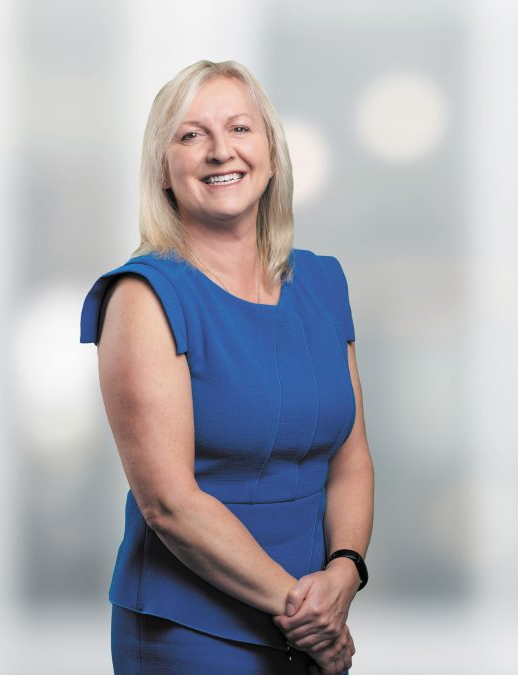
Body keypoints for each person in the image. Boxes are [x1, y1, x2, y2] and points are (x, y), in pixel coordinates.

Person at [79, 60, 374, 674]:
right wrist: (308, 616)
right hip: (193, 633)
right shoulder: (144, 297)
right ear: (163, 169)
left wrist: (345, 571)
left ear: (271, 152)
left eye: (240, 128)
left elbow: (351, 460)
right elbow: (169, 503)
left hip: (313, 619)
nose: (220, 151)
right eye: (191, 135)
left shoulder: (323, 282)